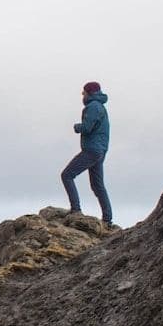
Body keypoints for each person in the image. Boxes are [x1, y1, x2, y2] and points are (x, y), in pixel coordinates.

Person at [63, 80, 114, 225]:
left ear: (88, 93)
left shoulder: (93, 107)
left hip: (91, 150)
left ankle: (76, 210)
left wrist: (77, 127)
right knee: (98, 185)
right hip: (100, 151)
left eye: (83, 92)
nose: (82, 95)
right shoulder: (101, 107)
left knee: (67, 175)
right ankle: (107, 219)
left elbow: (87, 127)